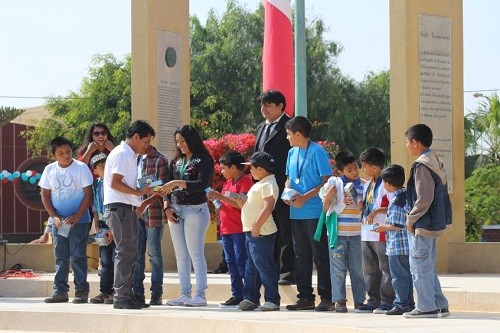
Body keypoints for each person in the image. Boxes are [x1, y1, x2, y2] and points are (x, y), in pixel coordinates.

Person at [159, 125, 214, 307]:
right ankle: (184, 293)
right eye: (177, 141)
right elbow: (165, 186)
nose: (180, 144)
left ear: (192, 139)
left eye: (183, 140)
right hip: (175, 209)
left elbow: (201, 184)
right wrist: (167, 206)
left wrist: (177, 182)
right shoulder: (176, 161)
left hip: (195, 209)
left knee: (195, 253)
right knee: (180, 254)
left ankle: (200, 295)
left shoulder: (203, 159)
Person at [103, 120, 155, 310]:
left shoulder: (129, 155)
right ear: (136, 137)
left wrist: (141, 191)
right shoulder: (122, 154)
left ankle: (126, 294)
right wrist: (139, 193)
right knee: (125, 252)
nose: (147, 146)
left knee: (129, 252)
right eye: (146, 141)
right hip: (119, 208)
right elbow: (115, 183)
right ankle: (121, 297)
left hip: (126, 208)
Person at [283, 116, 333, 311]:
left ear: (298, 134)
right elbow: (289, 178)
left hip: (314, 211)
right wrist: (288, 194)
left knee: (319, 255)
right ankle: (305, 297)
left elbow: (327, 181)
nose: (287, 138)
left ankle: (326, 297)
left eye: (289, 134)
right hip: (295, 212)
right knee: (300, 255)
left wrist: (304, 197)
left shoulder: (317, 151)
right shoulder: (291, 153)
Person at [402, 123, 452, 319]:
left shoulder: (422, 165)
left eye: (407, 142)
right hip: (433, 223)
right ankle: (440, 304)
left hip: (422, 224)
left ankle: (425, 307)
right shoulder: (435, 159)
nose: (406, 146)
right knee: (427, 265)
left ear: (415, 142)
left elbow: (424, 198)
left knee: (419, 265)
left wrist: (410, 218)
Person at [39, 136, 93, 304]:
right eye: (61, 153)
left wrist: (77, 216)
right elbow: (45, 195)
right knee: (61, 256)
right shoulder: (49, 170)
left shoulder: (81, 168)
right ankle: (60, 291)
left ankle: (81, 291)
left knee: (78, 255)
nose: (66, 155)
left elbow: (88, 193)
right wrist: (54, 216)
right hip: (59, 222)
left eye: (68, 151)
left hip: (79, 220)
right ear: (54, 155)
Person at [255, 90, 294, 285]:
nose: (264, 109)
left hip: (283, 186)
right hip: (264, 187)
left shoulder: (290, 126)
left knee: (285, 229)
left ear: (280, 106)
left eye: (268, 105)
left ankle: (287, 272)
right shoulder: (262, 127)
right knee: (268, 229)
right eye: (262, 105)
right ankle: (271, 270)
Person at [319, 151, 366, 313]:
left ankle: (360, 301)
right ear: (340, 172)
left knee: (357, 269)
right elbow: (325, 210)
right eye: (349, 170)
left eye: (356, 167)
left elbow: (366, 210)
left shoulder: (364, 185)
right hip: (337, 235)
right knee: (338, 269)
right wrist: (329, 197)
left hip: (356, 235)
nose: (354, 171)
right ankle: (339, 301)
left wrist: (357, 203)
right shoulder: (333, 185)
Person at [207, 151, 254, 308]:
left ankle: (249, 295)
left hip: (239, 229)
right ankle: (236, 294)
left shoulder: (246, 182)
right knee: (230, 262)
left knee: (241, 261)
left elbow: (241, 204)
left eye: (223, 168)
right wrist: (216, 201)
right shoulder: (227, 183)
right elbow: (225, 203)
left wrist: (220, 197)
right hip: (226, 229)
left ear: (233, 167)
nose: (221, 171)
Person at [237, 152, 280, 311]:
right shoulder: (260, 183)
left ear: (261, 169)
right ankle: (251, 298)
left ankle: (273, 300)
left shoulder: (268, 184)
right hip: (252, 233)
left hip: (261, 233)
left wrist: (256, 226)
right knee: (252, 267)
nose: (250, 171)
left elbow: (268, 207)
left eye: (252, 168)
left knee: (265, 266)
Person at [355, 147, 395, 314]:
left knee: (385, 268)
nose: (363, 169)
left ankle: (387, 301)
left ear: (376, 167)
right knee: (369, 268)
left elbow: (394, 206)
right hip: (366, 231)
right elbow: (367, 204)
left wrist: (377, 211)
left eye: (365, 165)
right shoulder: (367, 185)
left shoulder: (387, 184)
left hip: (380, 230)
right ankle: (372, 300)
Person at [132, 145, 170, 306]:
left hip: (154, 212)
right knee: (137, 255)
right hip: (136, 212)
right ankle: (137, 293)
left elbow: (162, 190)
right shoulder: (136, 159)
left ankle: (156, 293)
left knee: (154, 255)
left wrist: (145, 203)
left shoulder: (160, 160)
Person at [375, 164, 415, 315]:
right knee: (406, 276)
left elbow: (396, 225)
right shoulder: (408, 195)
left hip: (398, 247)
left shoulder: (396, 201)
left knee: (398, 277)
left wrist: (382, 227)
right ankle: (408, 303)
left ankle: (401, 304)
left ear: (388, 184)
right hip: (407, 245)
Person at [88, 153, 116, 305]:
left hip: (115, 223)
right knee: (104, 260)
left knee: (115, 257)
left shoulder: (113, 182)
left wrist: (111, 227)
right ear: (95, 171)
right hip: (102, 224)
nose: (104, 169)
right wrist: (96, 223)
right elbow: (95, 206)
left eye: (106, 166)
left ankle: (117, 290)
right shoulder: (96, 184)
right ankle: (105, 291)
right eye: (101, 167)